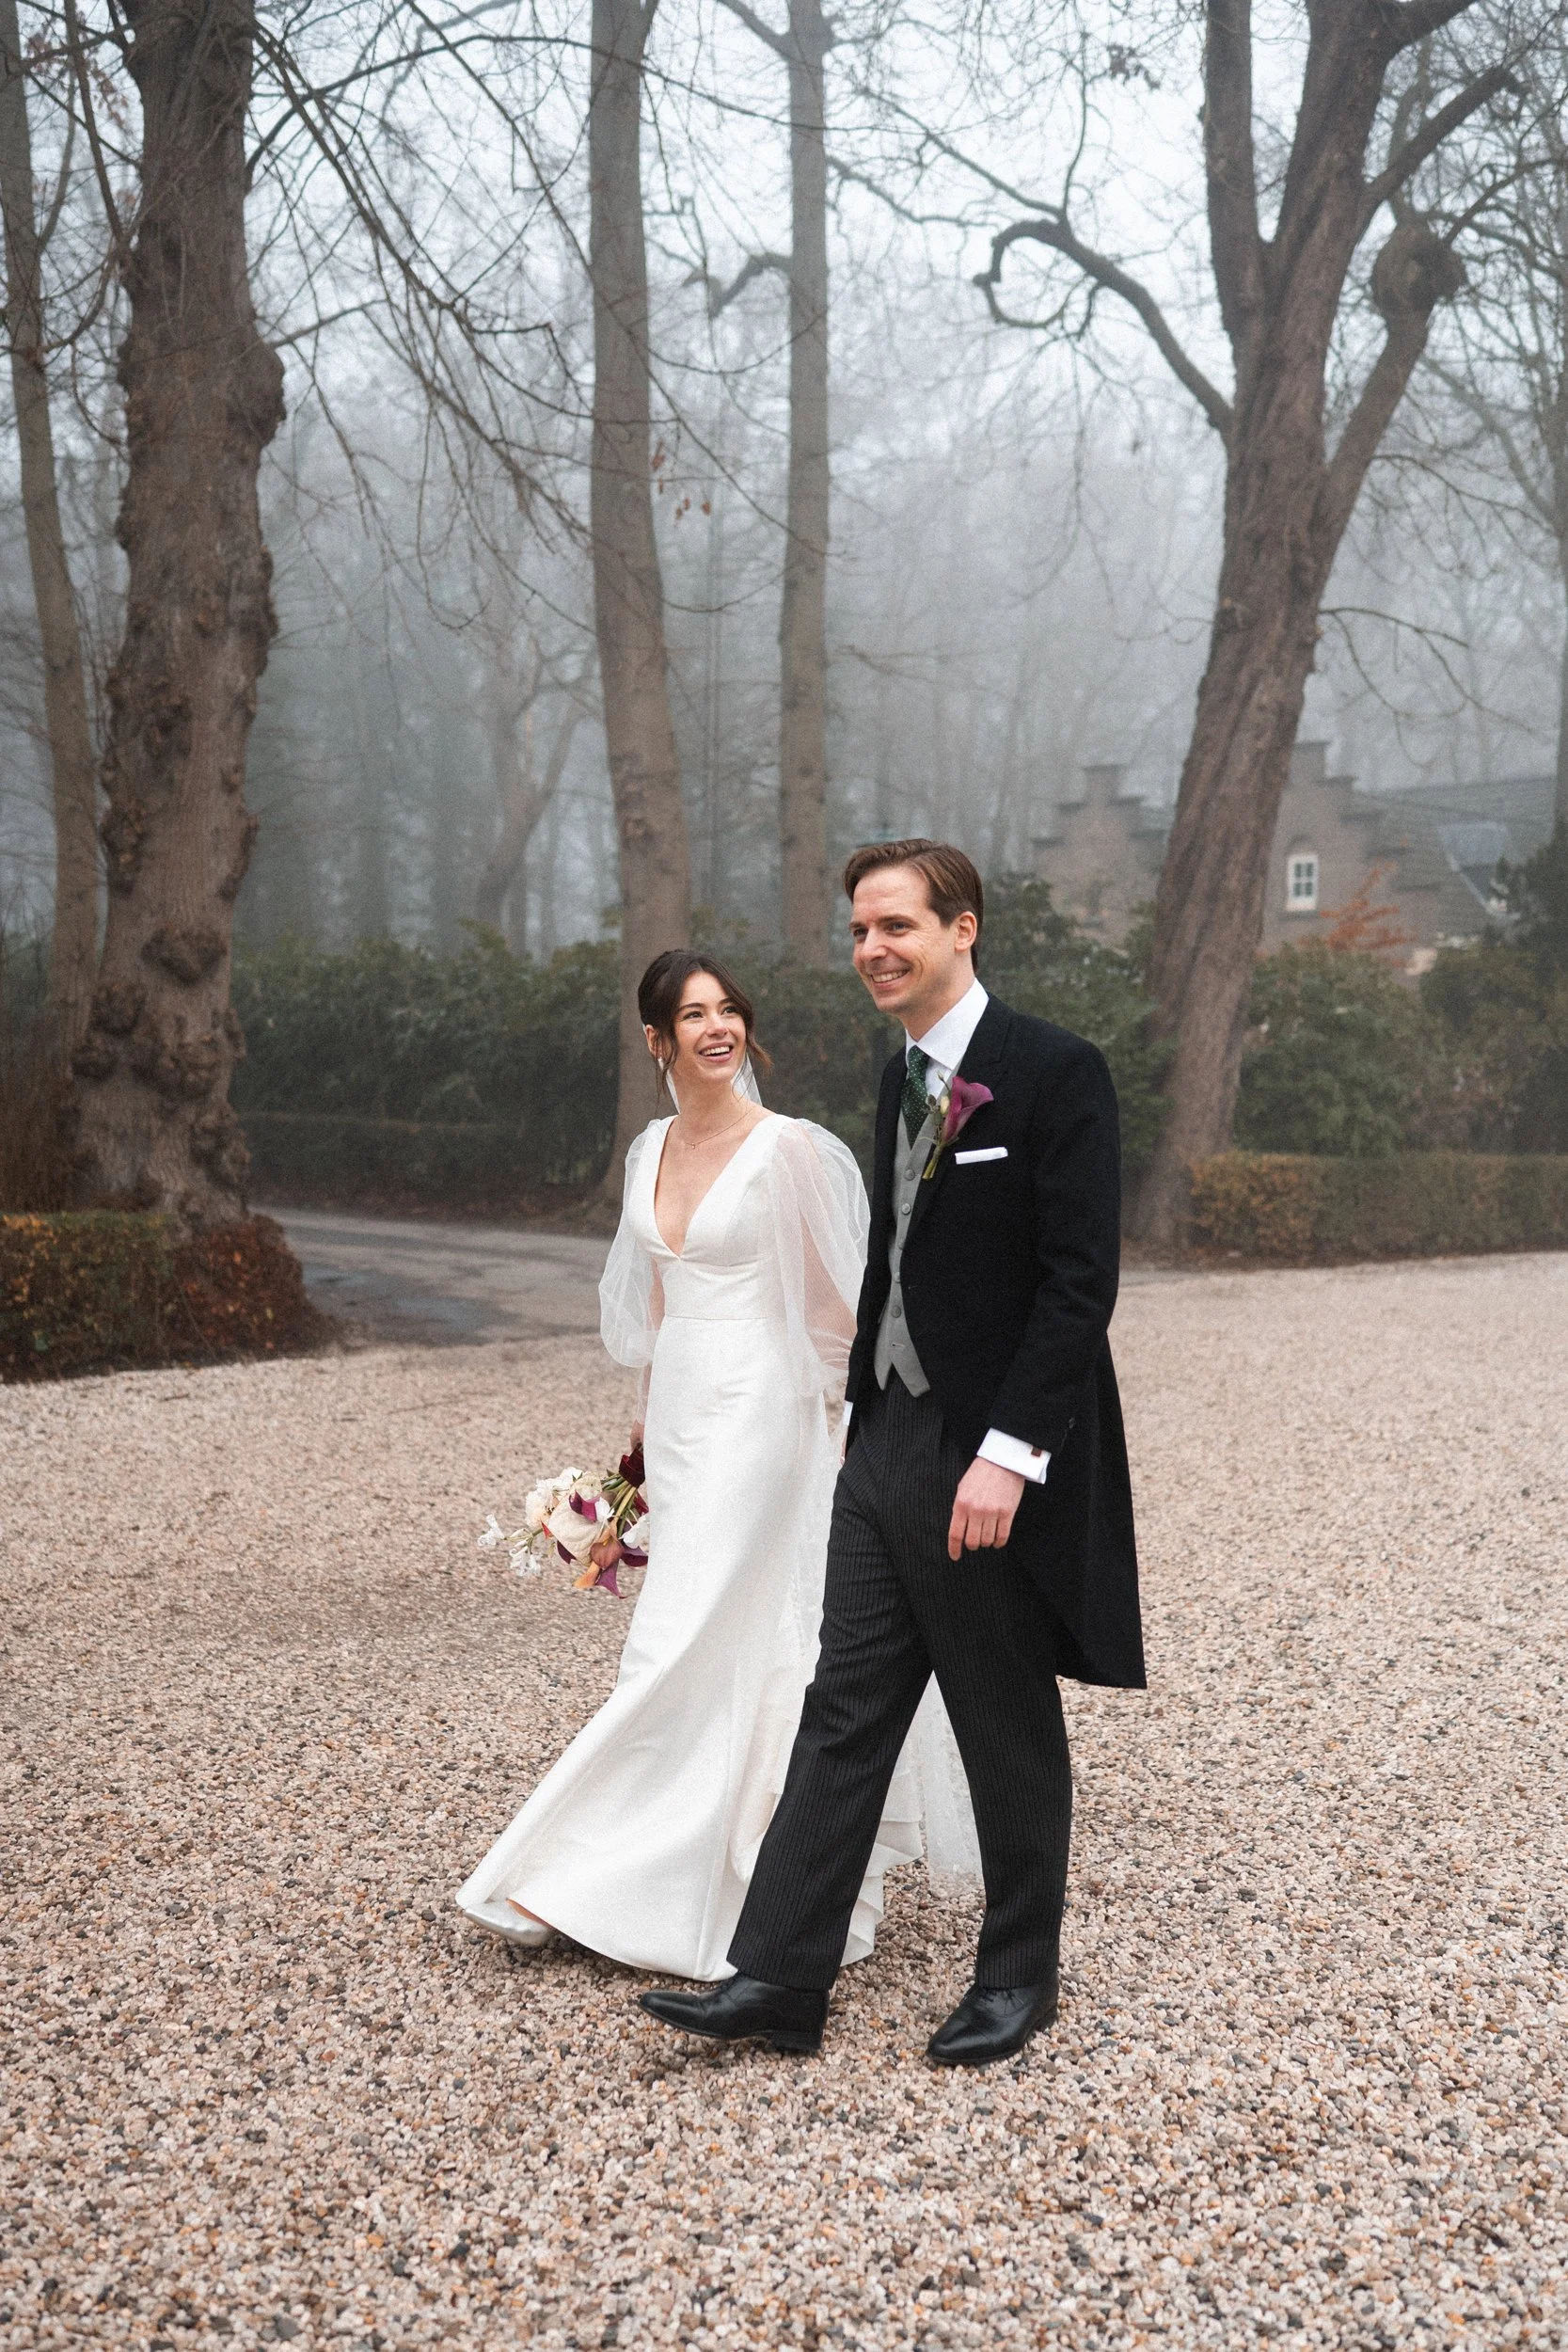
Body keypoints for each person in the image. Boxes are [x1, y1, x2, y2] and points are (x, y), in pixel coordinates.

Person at [639, 840, 1144, 2066]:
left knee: (999, 1718)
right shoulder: (898, 1079)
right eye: (859, 929)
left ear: (960, 930)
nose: (871, 948)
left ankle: (1019, 1978)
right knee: (842, 1711)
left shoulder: (1051, 1073)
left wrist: (1007, 1454)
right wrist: (859, 1415)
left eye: (895, 927)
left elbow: (1077, 1289)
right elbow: (895, 1266)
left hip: (982, 1461)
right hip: (882, 1444)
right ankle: (776, 1980)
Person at [455, 947, 977, 1982]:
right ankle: (710, 1870)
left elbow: (842, 1312)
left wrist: (853, 1437)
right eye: (690, 1015)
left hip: (767, 1418)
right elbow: (654, 1304)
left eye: (728, 1009)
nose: (715, 1027)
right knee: (709, 1636)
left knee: (680, 1637)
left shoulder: (790, 1152)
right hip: (686, 1419)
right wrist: (637, 1446)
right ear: (657, 1040)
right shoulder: (648, 1148)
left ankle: (572, 1873)